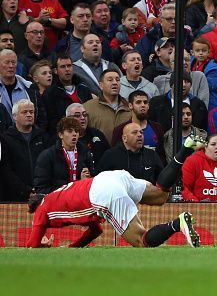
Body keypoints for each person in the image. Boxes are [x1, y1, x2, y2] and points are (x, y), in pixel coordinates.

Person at [26, 135, 203, 248]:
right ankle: (185, 149)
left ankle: (178, 224)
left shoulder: (42, 209)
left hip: (102, 194)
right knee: (160, 194)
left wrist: (45, 246)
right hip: (111, 178)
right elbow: (96, 230)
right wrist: (73, 248)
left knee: (142, 241)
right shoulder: (57, 194)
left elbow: (32, 246)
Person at [0, 99, 50, 201]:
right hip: (14, 196)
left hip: (41, 193)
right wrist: (26, 191)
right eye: (24, 112)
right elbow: (6, 170)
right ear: (14, 117)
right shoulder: (5, 139)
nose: (29, 115)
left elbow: (48, 165)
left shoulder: (43, 137)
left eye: (31, 112)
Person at [33, 117, 93, 194]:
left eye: (77, 131)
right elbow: (41, 188)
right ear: (61, 135)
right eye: (70, 131)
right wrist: (66, 192)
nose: (74, 134)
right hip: (57, 201)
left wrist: (86, 182)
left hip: (79, 198)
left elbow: (93, 182)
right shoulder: (47, 156)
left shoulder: (85, 153)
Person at [84, 69, 132, 145]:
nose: (115, 83)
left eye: (117, 80)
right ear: (101, 85)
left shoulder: (130, 107)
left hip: (126, 153)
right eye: (110, 80)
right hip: (99, 153)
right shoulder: (88, 107)